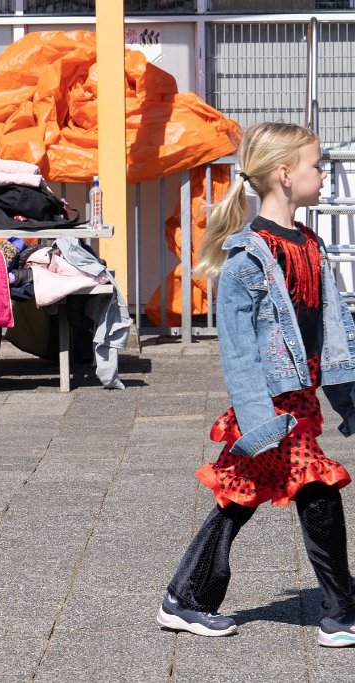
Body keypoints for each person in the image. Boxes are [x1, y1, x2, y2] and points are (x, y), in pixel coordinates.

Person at [156, 122, 355, 647]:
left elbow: (333, 329)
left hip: (302, 396)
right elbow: (238, 350)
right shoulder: (249, 256)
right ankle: (341, 612)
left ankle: (186, 598)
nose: (324, 175)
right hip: (271, 404)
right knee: (317, 487)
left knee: (240, 495)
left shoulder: (311, 244)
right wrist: (255, 417)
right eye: (316, 166)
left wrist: (346, 396)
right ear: (286, 175)